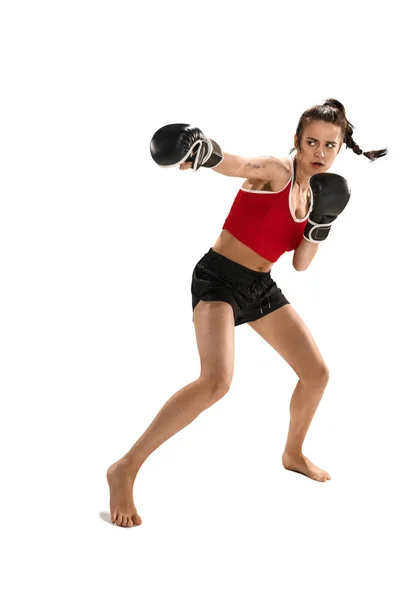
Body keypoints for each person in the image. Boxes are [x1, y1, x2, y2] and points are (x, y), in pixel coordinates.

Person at [107, 98, 387, 527]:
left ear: (340, 148)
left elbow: (301, 264)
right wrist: (204, 151)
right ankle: (125, 467)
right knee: (216, 381)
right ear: (297, 141)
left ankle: (292, 454)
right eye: (311, 141)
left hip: (259, 286)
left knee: (317, 374)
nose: (319, 152)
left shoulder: (318, 195)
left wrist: (321, 224)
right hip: (218, 279)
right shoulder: (278, 171)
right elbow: (239, 165)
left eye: (329, 145)